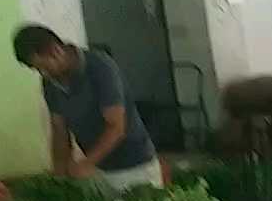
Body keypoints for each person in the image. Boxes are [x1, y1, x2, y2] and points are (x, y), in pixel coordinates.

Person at [13, 25, 162, 192]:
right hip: (100, 168)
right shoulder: (51, 84)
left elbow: (116, 127)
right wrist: (59, 174)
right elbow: (59, 130)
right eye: (38, 70)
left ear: (54, 51)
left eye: (44, 67)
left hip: (134, 166)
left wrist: (87, 163)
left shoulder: (100, 67)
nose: (43, 74)